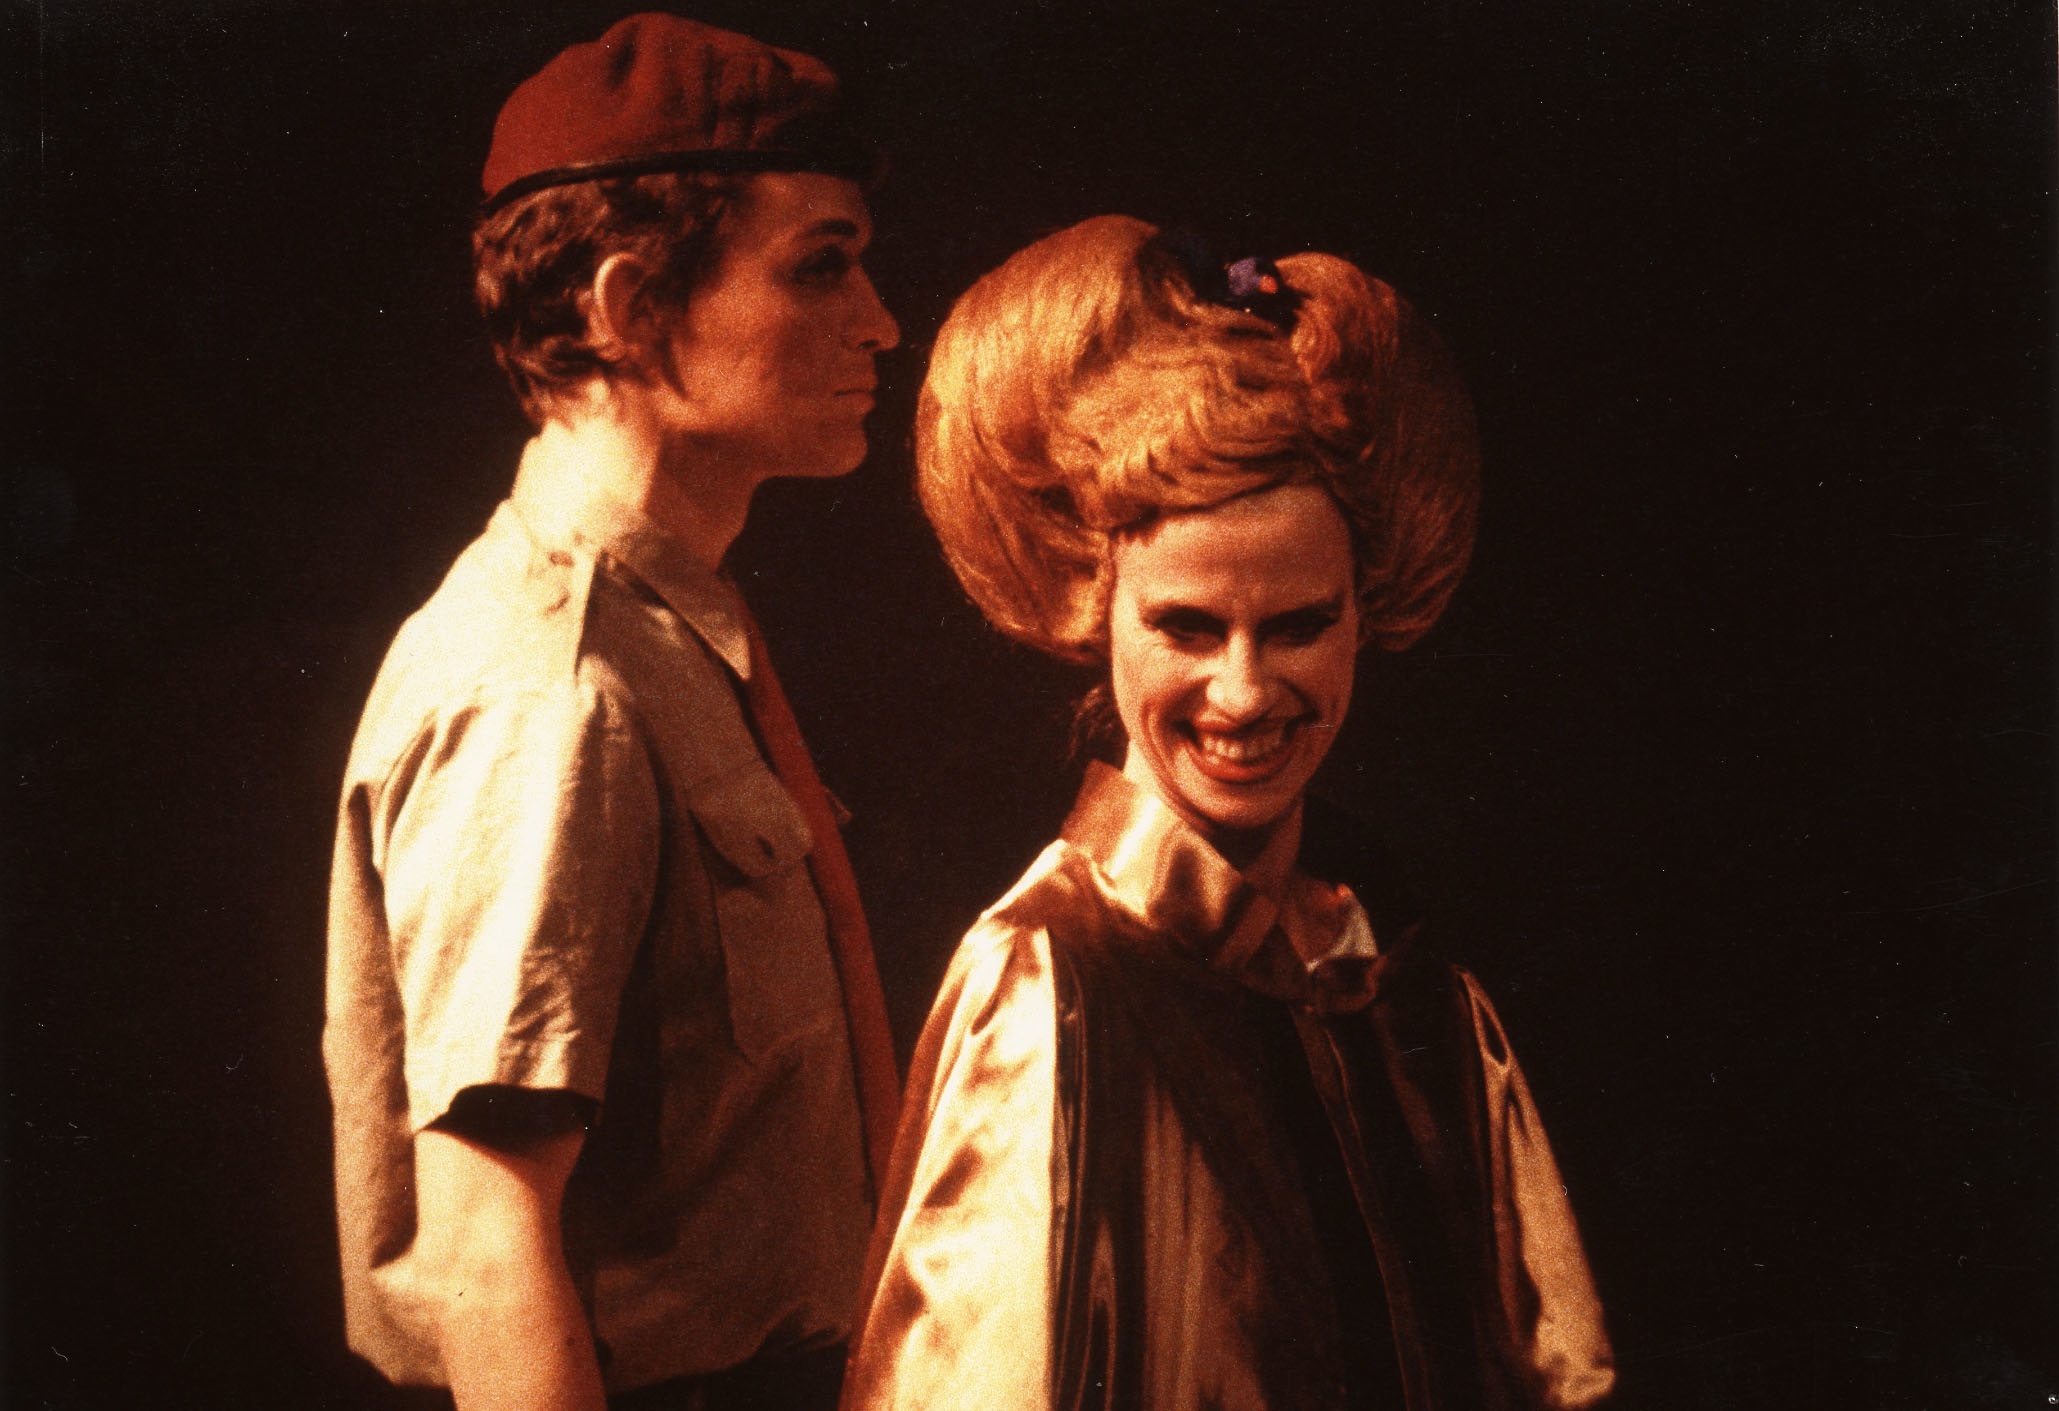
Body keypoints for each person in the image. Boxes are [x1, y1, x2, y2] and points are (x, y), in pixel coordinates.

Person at [840, 217, 1615, 1411]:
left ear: (1365, 610)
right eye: (1188, 628)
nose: (1244, 693)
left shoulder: (1415, 996)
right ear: (1095, 610)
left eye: (1298, 624)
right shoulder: (1050, 982)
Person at [322, 15, 902, 1410]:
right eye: (820, 265)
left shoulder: (669, 636)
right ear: (629, 308)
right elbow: (488, 1250)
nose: (880, 320)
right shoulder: (550, 686)